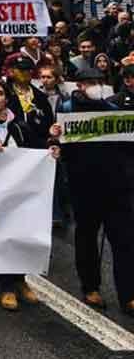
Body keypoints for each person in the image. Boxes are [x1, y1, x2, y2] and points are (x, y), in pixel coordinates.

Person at [0, 79, 59, 311]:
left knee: (19, 232)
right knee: (0, 234)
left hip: (18, 188)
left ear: (7, 98)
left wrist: (51, 144)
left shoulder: (19, 126)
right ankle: (6, 286)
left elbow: (35, 148)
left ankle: (21, 280)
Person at [57, 67, 134, 313]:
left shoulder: (113, 110)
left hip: (117, 187)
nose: (96, 86)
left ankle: (128, 295)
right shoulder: (67, 111)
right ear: (79, 86)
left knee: (124, 241)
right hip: (84, 187)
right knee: (87, 239)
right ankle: (90, 287)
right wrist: (54, 139)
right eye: (90, 82)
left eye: (99, 81)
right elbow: (63, 150)